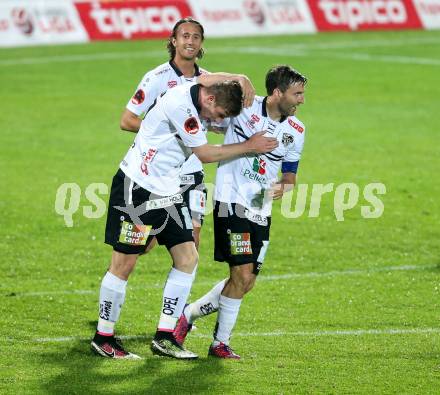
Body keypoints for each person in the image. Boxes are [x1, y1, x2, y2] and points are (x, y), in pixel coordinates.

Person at [90, 79, 279, 360]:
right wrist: (250, 146)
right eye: (218, 117)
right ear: (211, 100)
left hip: (169, 191)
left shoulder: (202, 92)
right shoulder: (182, 106)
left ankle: (165, 337)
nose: (216, 123)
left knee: (188, 258)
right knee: (124, 262)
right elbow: (205, 154)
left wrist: (241, 78)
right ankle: (103, 337)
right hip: (138, 188)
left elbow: (210, 77)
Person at [173, 65, 308, 359]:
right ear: (277, 93)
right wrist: (238, 78)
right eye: (297, 94)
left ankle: (189, 314)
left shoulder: (297, 131)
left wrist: (283, 188)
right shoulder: (244, 109)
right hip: (230, 201)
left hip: (261, 207)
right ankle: (220, 343)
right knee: (241, 272)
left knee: (245, 282)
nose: (301, 100)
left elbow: (289, 179)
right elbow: (200, 85)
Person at [120, 17, 255, 250]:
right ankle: (117, 274)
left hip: (192, 172)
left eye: (196, 37)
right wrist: (171, 133)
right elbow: (128, 120)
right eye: (185, 36)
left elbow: (215, 120)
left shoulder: (210, 82)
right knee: (143, 244)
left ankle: (182, 283)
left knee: (191, 241)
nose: (190, 41)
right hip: (158, 172)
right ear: (173, 41)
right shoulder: (157, 77)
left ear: (202, 43)